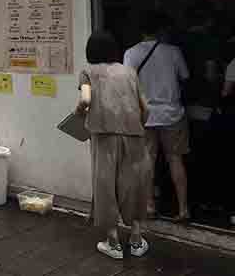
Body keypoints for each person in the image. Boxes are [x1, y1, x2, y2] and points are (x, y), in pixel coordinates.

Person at [78, 31, 150, 260]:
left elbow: (86, 100)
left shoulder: (88, 72)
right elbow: (145, 108)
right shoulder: (129, 72)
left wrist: (79, 114)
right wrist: (138, 126)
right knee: (134, 184)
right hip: (134, 134)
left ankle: (114, 243)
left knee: (105, 186)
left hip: (104, 135)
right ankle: (137, 240)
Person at [124, 13, 191, 222]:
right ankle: (183, 210)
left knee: (148, 160)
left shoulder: (131, 53)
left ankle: (150, 207)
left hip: (145, 115)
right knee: (175, 160)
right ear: (161, 30)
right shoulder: (173, 51)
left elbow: (127, 83)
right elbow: (186, 77)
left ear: (141, 31)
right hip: (172, 114)